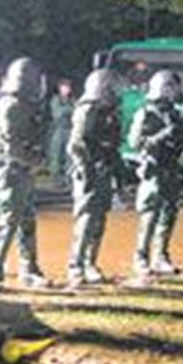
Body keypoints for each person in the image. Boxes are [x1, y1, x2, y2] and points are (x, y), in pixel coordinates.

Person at [0, 58, 51, 291]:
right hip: (12, 169)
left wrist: (38, 158)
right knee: (9, 218)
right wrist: (33, 161)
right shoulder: (10, 105)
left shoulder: (28, 104)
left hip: (25, 168)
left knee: (27, 218)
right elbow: (10, 144)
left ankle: (29, 267)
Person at [129, 70, 183, 282]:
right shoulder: (146, 113)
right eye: (171, 87)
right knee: (150, 215)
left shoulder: (175, 113)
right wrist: (161, 136)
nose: (175, 92)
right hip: (153, 170)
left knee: (169, 213)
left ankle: (161, 255)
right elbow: (135, 143)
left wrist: (182, 134)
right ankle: (141, 257)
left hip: (171, 168)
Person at [66, 68, 121, 288]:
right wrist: (89, 168)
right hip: (88, 171)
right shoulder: (87, 110)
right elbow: (77, 144)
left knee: (100, 219)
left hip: (103, 169)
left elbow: (113, 142)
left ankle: (91, 262)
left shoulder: (108, 110)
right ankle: (76, 265)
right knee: (87, 219)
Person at [48, 78, 75, 187]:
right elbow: (58, 114)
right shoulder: (55, 100)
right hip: (59, 130)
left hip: (70, 130)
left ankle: (68, 179)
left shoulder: (72, 100)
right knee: (57, 155)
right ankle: (57, 180)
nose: (67, 89)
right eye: (64, 87)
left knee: (69, 156)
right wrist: (70, 109)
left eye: (68, 87)